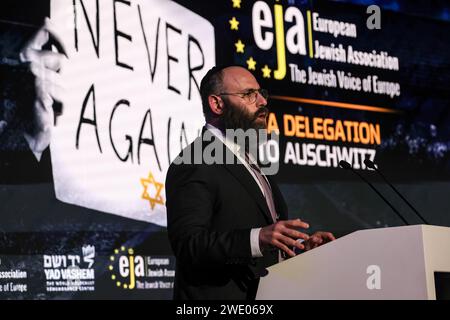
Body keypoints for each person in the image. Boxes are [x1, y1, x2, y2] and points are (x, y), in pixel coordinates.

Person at [165, 65, 335, 300]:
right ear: (217, 104)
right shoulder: (194, 162)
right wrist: (257, 238)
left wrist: (295, 250)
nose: (262, 101)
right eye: (248, 95)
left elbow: (261, 241)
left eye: (261, 93)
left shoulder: (252, 161)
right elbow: (189, 245)